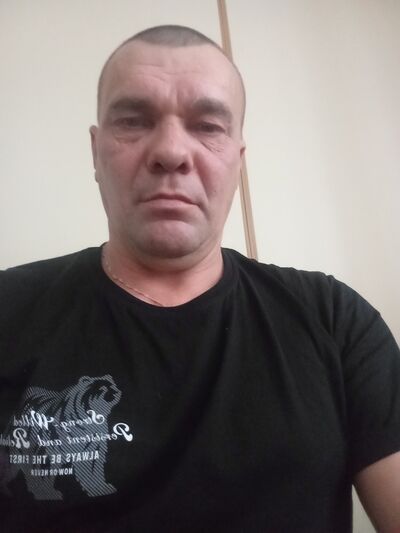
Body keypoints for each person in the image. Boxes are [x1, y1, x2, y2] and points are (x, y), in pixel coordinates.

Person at [0, 24, 399, 533]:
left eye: (207, 126)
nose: (171, 151)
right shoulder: (7, 310)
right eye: (134, 121)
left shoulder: (336, 321)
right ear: (96, 152)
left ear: (238, 160)